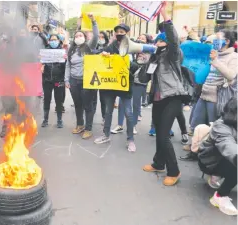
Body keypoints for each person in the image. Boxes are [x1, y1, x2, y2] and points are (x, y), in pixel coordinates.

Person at [140, 3, 189, 186]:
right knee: (159, 132)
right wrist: (145, 63)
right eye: (157, 41)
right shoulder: (155, 57)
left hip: (173, 97)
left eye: (162, 41)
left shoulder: (173, 55)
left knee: (163, 135)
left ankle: (174, 171)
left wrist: (165, 17)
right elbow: (144, 78)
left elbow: (174, 40)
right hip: (158, 99)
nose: (159, 44)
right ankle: (158, 163)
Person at [94, 23, 136, 152]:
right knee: (108, 111)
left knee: (128, 113)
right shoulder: (110, 46)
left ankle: (130, 140)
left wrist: (124, 61)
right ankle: (106, 135)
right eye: (117, 31)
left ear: (127, 33)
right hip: (111, 85)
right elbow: (98, 56)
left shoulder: (133, 47)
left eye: (122, 31)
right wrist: (103, 55)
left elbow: (136, 66)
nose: (119, 33)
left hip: (125, 84)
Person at [190, 30, 237, 130]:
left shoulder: (234, 57)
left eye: (217, 39)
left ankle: (210, 145)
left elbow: (231, 75)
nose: (215, 41)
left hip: (217, 98)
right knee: (196, 124)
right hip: (204, 94)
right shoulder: (213, 53)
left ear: (227, 41)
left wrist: (215, 61)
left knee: (213, 126)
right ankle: (195, 144)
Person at [198, 97, 237, 216]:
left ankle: (216, 176)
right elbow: (228, 146)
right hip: (209, 162)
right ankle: (220, 196)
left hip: (221, 158)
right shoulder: (220, 126)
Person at [64, 13, 98, 139]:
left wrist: (93, 21)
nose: (78, 37)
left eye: (81, 35)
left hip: (87, 82)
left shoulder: (89, 47)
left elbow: (95, 36)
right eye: (76, 35)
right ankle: (80, 125)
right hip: (74, 81)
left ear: (85, 37)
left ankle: (88, 128)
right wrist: (66, 80)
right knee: (78, 104)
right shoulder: (71, 50)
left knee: (88, 105)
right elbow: (68, 65)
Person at [41, 34, 66, 128]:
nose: (53, 41)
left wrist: (65, 59)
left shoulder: (62, 52)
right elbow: (40, 63)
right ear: (49, 41)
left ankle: (59, 120)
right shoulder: (44, 51)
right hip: (47, 80)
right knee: (46, 99)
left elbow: (66, 67)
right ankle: (45, 119)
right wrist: (41, 63)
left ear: (59, 41)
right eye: (51, 40)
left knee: (59, 100)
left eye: (55, 40)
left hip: (59, 80)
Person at [92, 31, 109, 124]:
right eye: (99, 37)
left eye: (103, 37)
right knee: (93, 99)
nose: (101, 39)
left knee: (103, 99)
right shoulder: (93, 47)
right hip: (93, 75)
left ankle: (104, 117)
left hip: (104, 76)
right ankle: (91, 117)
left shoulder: (109, 48)